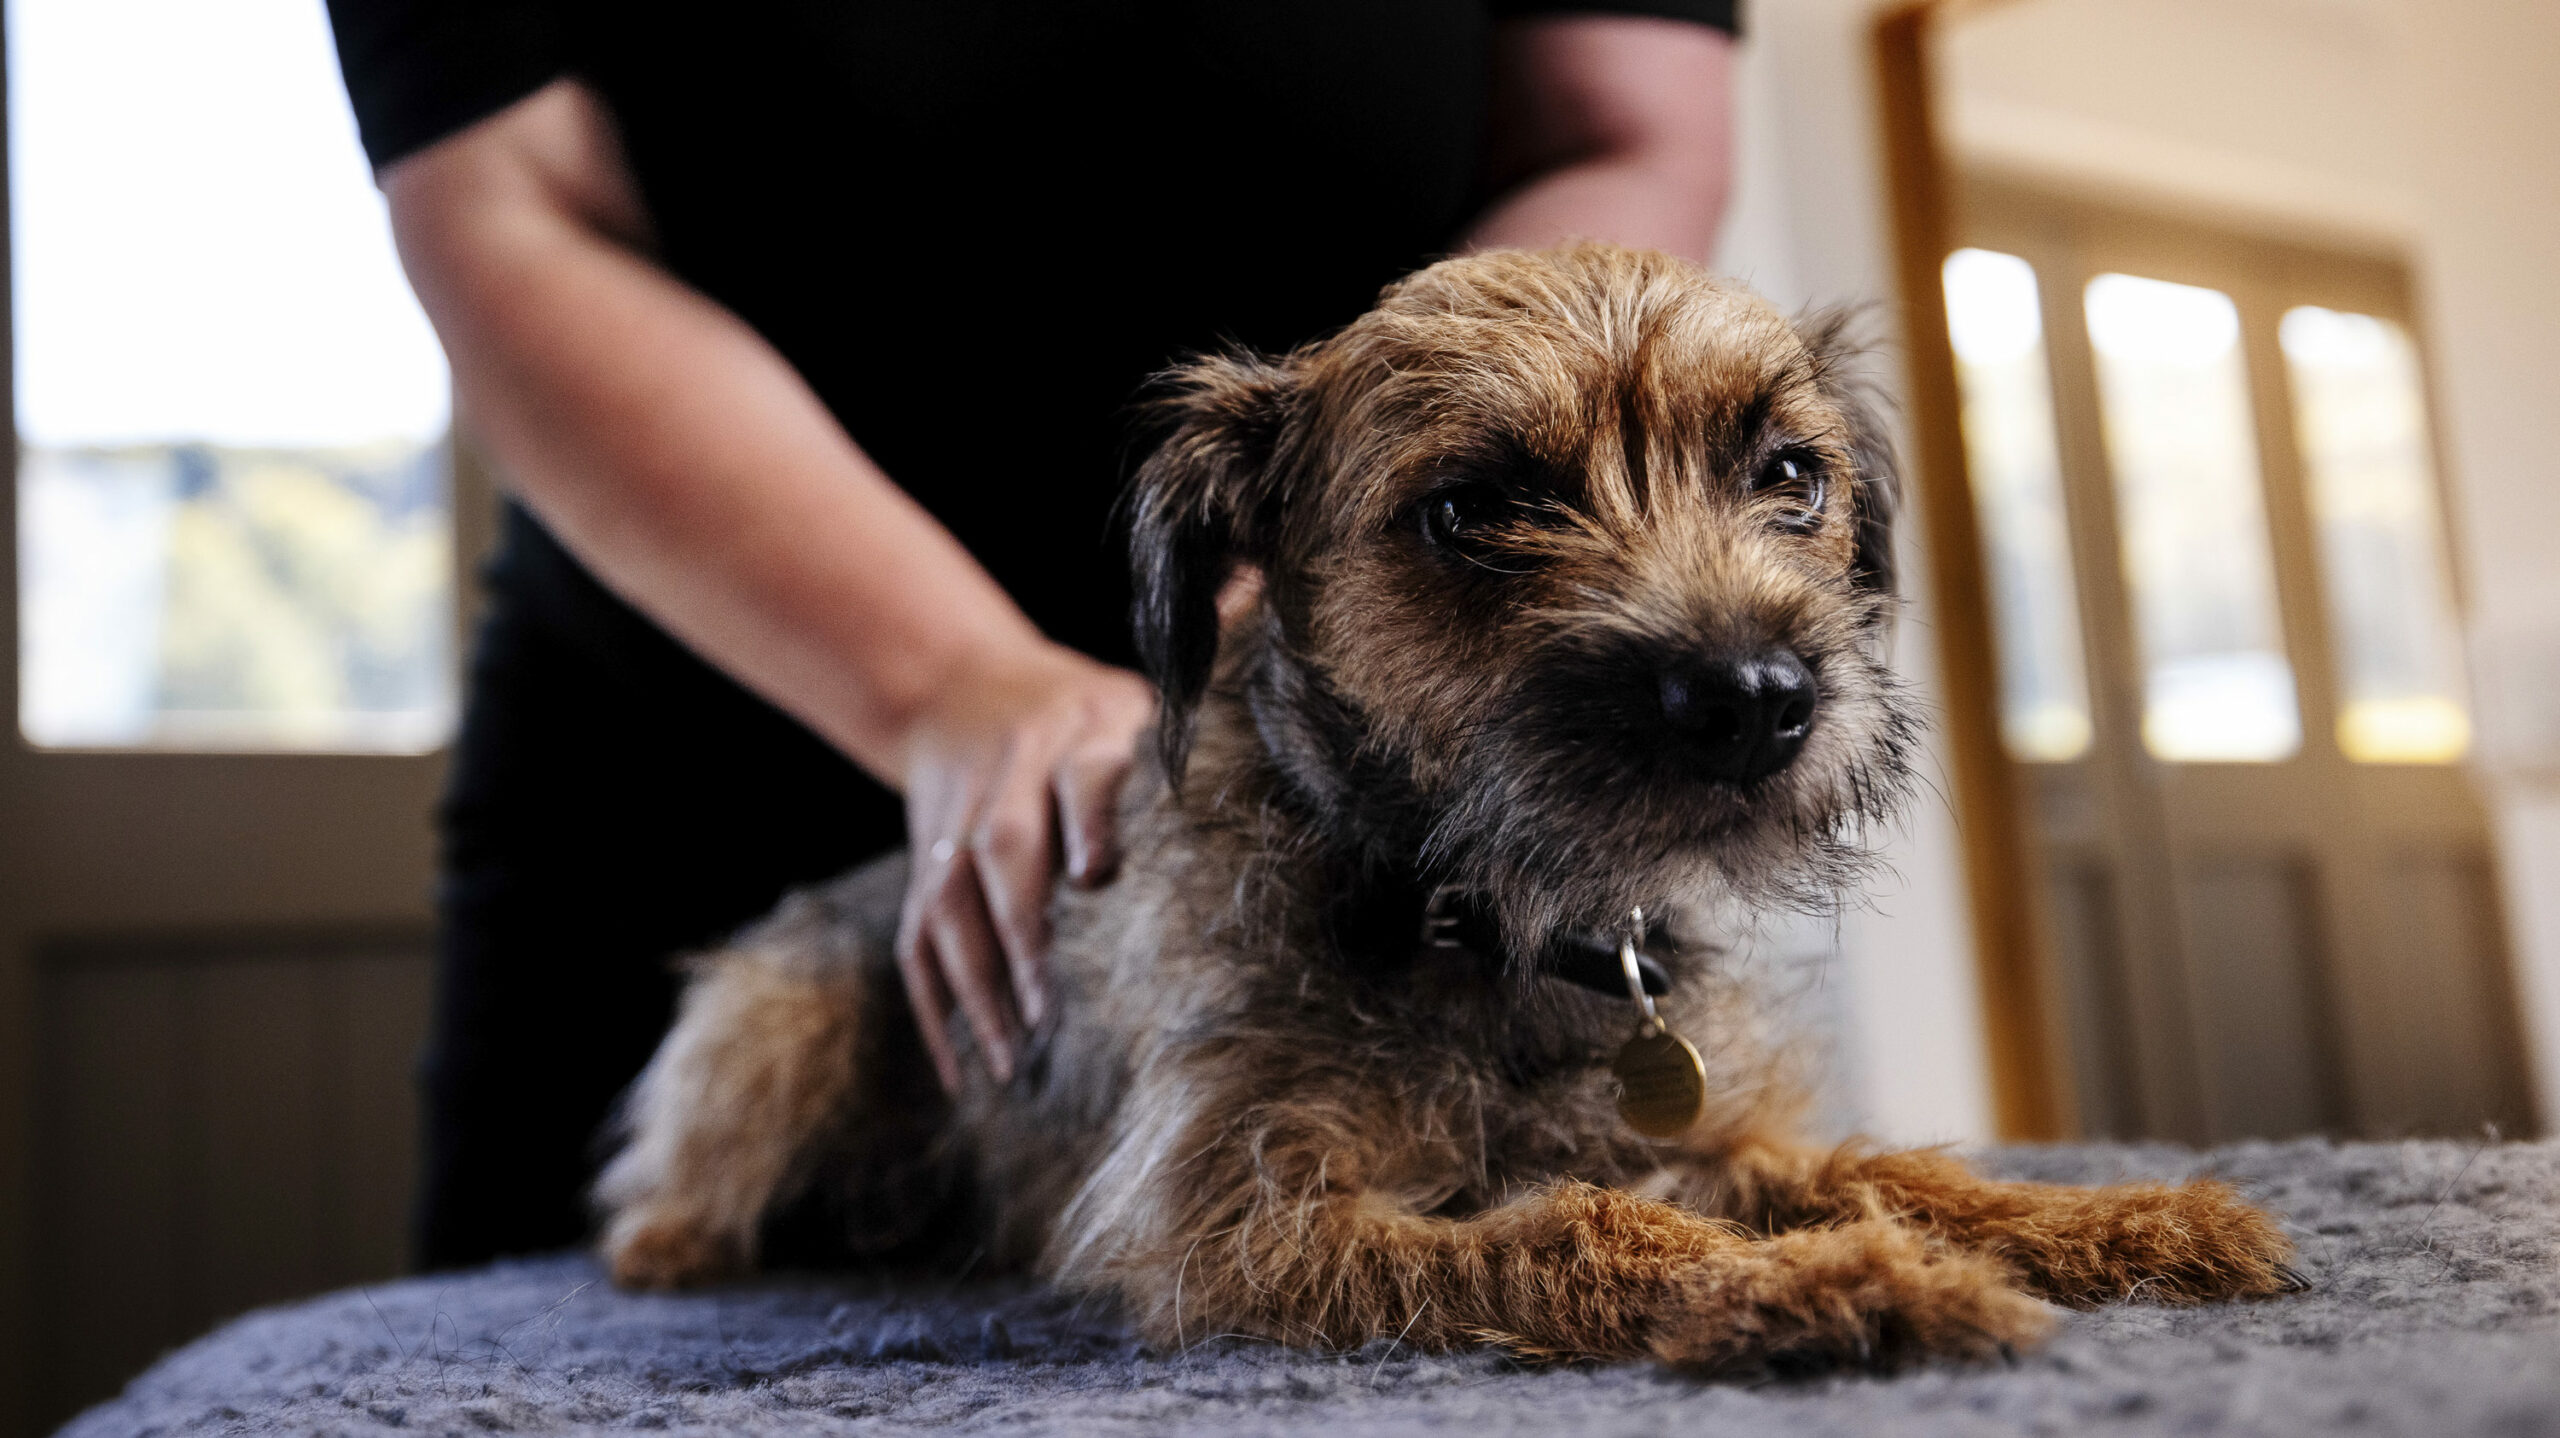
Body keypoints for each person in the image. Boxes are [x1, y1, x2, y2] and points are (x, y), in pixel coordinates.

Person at [326, 0, 1740, 1270]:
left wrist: (1358, 527)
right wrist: (951, 678)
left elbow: (1619, 123)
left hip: (1388, 753)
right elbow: (512, 203)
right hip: (704, 747)